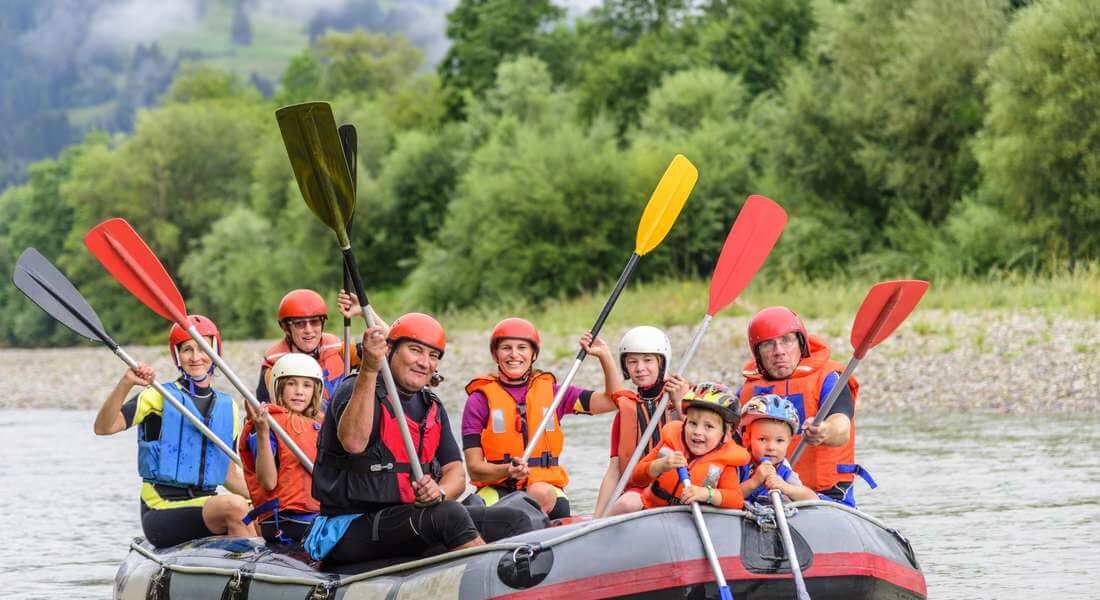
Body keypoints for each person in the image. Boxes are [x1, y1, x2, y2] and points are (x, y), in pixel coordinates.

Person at [305, 313, 535, 566]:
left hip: (406, 521)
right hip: (347, 528)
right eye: (415, 350)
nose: (424, 362)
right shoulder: (355, 388)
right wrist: (370, 369)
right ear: (389, 349)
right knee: (449, 515)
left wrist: (439, 492)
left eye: (433, 356)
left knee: (513, 518)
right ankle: (492, 576)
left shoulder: (431, 405)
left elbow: (456, 474)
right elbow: (354, 443)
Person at [93, 315, 251, 548]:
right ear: (177, 355)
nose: (196, 357)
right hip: (161, 508)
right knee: (236, 507)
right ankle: (244, 572)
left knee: (255, 508)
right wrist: (126, 383)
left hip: (205, 504)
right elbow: (103, 427)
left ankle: (256, 568)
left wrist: (268, 496)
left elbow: (228, 476)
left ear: (216, 352)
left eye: (203, 348)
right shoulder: (158, 395)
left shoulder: (229, 409)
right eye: (187, 349)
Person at [462, 318, 620, 519]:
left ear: (533, 354)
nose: (514, 354)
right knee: (470, 510)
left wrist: (604, 356)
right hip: (498, 487)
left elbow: (612, 401)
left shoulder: (556, 394)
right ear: (495, 354)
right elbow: (474, 469)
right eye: (506, 348)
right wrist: (507, 470)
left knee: (537, 493)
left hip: (546, 490)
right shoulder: (479, 400)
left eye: (522, 348)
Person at [736, 306, 861, 502]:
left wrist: (824, 431)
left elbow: (841, 425)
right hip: (761, 494)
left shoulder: (829, 379)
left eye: (786, 341)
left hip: (826, 495)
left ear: (801, 344)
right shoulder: (748, 392)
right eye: (768, 344)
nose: (779, 351)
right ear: (757, 353)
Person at [594, 326, 691, 516]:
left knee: (628, 504)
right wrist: (596, 517)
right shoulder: (626, 411)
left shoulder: (687, 396)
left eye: (648, 360)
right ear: (626, 367)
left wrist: (680, 403)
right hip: (641, 489)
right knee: (626, 504)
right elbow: (614, 470)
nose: (640, 368)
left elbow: (707, 439)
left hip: (683, 485)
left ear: (662, 362)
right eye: (632, 362)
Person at [239, 353, 324, 544]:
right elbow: (268, 482)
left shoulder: (319, 426)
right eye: (291, 383)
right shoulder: (267, 423)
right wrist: (262, 431)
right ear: (279, 387)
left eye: (307, 385)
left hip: (317, 516)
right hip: (286, 520)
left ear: (315, 391)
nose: (299, 391)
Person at [627, 383, 749, 510]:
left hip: (692, 522)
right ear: (684, 423)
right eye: (693, 423)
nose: (698, 432)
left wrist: (707, 494)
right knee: (627, 502)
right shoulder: (670, 443)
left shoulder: (725, 462)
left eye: (709, 426)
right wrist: (660, 465)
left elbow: (736, 500)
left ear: (726, 434)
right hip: (652, 510)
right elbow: (636, 477)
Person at [256, 289, 352, 405]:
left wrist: (364, 311)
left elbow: (378, 353)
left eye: (315, 322)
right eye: (300, 324)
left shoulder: (342, 349)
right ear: (286, 328)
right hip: (301, 422)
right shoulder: (273, 369)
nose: (308, 330)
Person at [737, 395, 817, 504]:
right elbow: (726, 496)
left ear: (789, 442)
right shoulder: (738, 465)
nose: (771, 447)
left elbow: (813, 499)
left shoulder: (783, 470)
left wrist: (785, 487)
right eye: (762, 439)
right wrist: (754, 482)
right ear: (747, 439)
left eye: (779, 441)